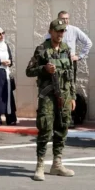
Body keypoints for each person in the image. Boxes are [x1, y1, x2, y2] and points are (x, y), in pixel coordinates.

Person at [27, 19, 77, 180]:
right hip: (47, 96)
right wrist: (44, 69)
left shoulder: (66, 49)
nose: (60, 34)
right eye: (58, 31)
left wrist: (73, 96)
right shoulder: (42, 49)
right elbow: (29, 70)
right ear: (51, 31)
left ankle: (57, 164)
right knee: (45, 128)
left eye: (63, 31)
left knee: (62, 127)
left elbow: (71, 75)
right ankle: (40, 165)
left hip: (64, 95)